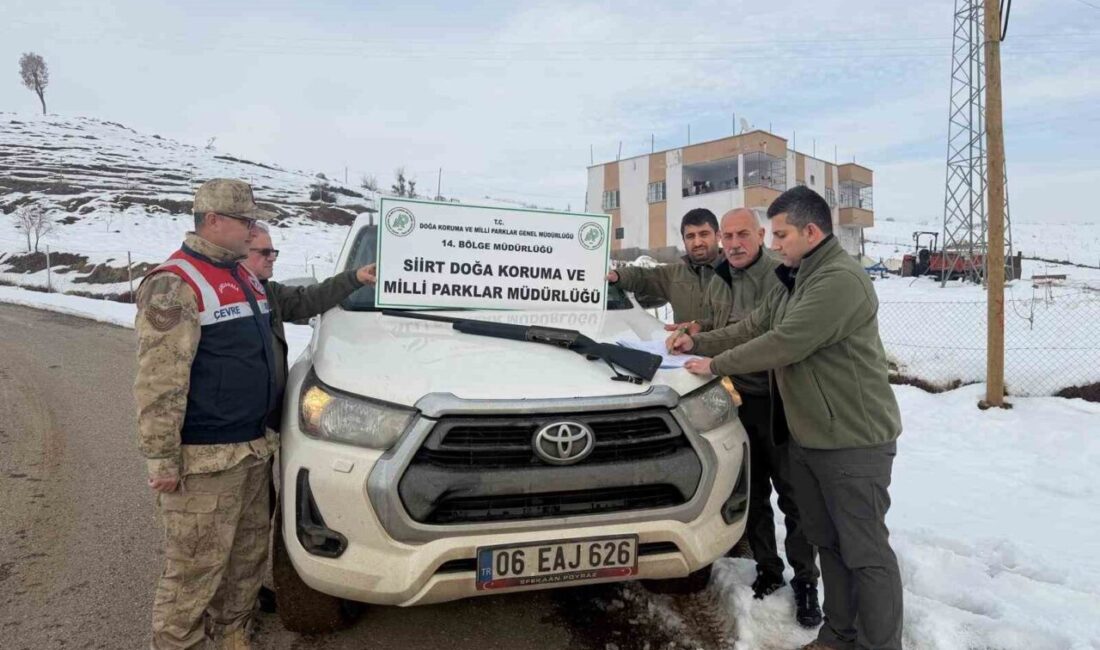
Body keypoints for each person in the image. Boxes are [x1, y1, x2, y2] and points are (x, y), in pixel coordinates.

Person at [668, 186, 904, 650]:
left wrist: (716, 364)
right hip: (811, 436)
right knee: (829, 543)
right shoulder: (794, 277)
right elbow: (754, 326)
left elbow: (785, 342)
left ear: (810, 232)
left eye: (780, 235)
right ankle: (838, 636)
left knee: (865, 552)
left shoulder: (838, 280)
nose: (773, 244)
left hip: (852, 439)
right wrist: (698, 343)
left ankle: (880, 644)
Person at [135, 178, 279, 649]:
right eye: (245, 221)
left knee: (246, 561)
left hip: (252, 450)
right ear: (213, 220)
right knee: (194, 572)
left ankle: (234, 634)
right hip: (205, 460)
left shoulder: (243, 275)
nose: (252, 230)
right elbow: (160, 382)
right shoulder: (175, 283)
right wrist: (162, 458)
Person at [677, 208, 821, 626]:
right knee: (752, 492)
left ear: (760, 235)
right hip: (738, 402)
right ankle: (768, 568)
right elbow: (728, 324)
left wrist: (711, 355)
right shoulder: (721, 276)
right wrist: (696, 333)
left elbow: (767, 336)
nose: (734, 243)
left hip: (781, 402)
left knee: (793, 496)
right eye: (728, 236)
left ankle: (806, 581)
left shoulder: (782, 274)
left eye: (743, 234)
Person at [240, 221, 376, 613]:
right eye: (264, 252)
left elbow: (308, 298)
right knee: (228, 520)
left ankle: (245, 591)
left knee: (258, 513)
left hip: (261, 428)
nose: (272, 259)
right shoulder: (220, 299)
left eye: (273, 252)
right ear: (238, 253)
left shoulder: (266, 293)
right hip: (230, 431)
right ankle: (224, 607)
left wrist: (354, 278)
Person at [606, 208, 721, 324]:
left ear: (718, 236)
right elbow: (642, 276)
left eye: (704, 234)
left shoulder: (731, 271)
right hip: (682, 336)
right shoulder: (675, 275)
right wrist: (618, 275)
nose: (697, 243)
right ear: (684, 240)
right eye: (690, 236)